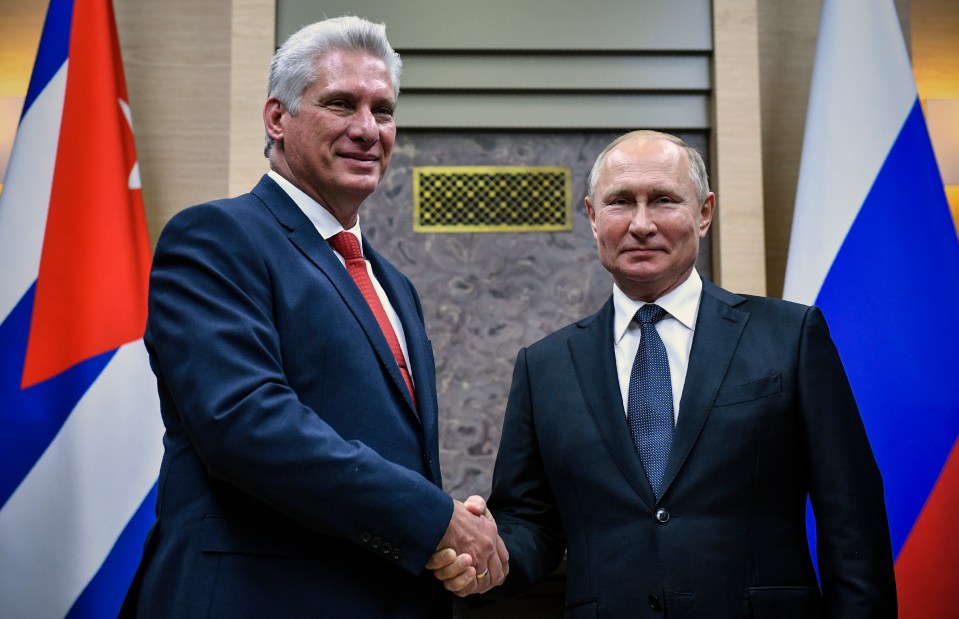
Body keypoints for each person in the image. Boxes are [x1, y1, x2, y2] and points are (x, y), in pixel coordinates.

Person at [120, 16, 506, 618]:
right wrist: (437, 520)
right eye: (340, 104)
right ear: (277, 119)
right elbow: (246, 422)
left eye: (382, 110)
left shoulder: (394, 285)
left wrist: (450, 533)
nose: (366, 129)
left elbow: (386, 453)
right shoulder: (216, 237)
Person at [428, 130, 897, 617]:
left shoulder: (791, 337)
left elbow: (852, 519)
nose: (641, 224)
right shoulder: (545, 366)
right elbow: (533, 524)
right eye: (621, 202)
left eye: (664, 200)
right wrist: (485, 554)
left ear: (705, 213)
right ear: (592, 217)